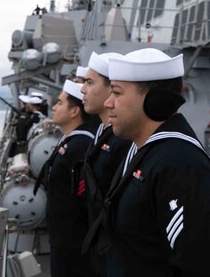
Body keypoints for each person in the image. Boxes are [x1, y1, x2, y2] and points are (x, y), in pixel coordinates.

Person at [85, 48, 210, 277]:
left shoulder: (179, 165)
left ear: (154, 100)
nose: (108, 103)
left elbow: (197, 266)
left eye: (116, 93)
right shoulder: (143, 150)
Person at [35, 80, 99, 277]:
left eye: (60, 103)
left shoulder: (81, 146)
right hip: (62, 236)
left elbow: (85, 197)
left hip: (73, 241)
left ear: (74, 112)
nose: (53, 107)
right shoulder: (70, 141)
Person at [79, 52, 132, 275]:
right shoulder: (102, 132)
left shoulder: (122, 141)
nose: (82, 89)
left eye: (89, 82)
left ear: (112, 89)